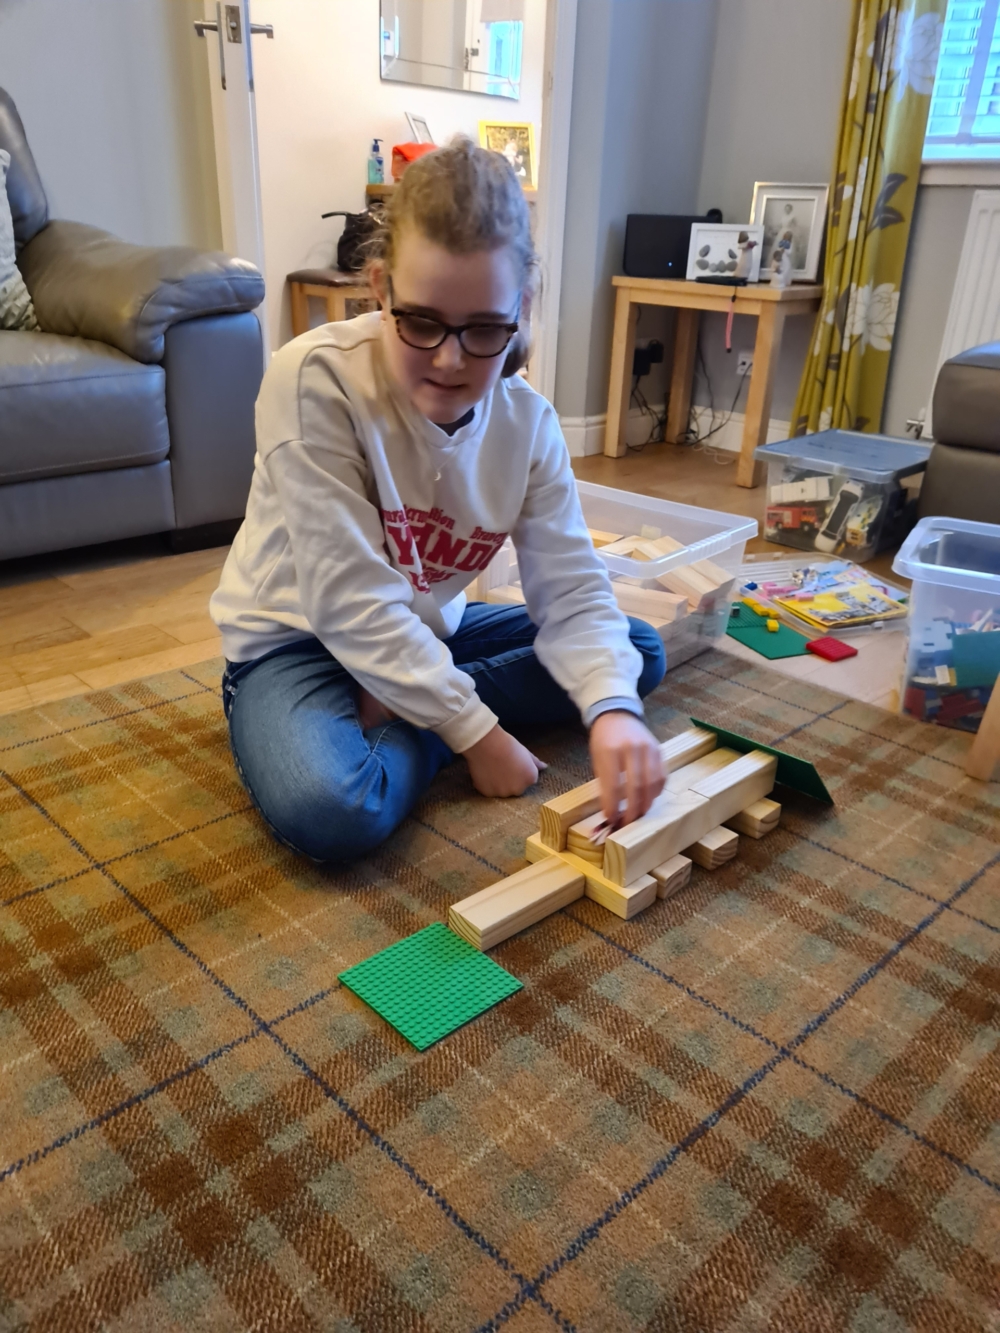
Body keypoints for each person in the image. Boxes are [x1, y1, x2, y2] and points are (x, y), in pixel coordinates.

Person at [210, 137, 667, 863]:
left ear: (520, 308)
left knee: (633, 657)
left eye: (485, 329)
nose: (450, 360)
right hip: (297, 640)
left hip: (425, 628)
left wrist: (613, 713)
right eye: (421, 321)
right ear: (381, 288)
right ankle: (424, 721)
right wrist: (476, 734)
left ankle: (406, 705)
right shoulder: (313, 380)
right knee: (332, 805)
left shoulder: (530, 425)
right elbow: (348, 600)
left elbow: (573, 589)